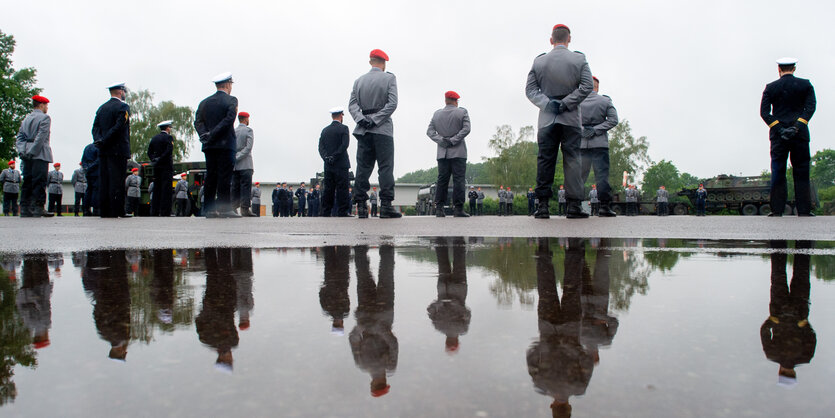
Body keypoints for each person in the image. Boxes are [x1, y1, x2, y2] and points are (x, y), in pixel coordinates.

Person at [527, 24, 593, 219]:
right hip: (571, 117)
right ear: (569, 39)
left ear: (551, 40)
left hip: (547, 119)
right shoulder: (579, 59)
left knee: (545, 160)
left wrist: (549, 105)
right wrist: (566, 104)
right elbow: (587, 86)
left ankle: (543, 206)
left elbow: (530, 90)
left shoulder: (539, 62)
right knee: (573, 159)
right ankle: (573, 206)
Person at [760, 57, 816, 217]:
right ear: (794, 69)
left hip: (778, 137)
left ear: (779, 69)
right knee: (801, 171)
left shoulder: (770, 88)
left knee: (778, 171)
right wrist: (797, 126)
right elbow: (810, 108)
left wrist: (780, 129)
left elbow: (764, 113)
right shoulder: (806, 85)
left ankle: (777, 209)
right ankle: (804, 210)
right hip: (800, 135)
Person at [349, 49, 400, 219]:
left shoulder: (359, 81)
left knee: (362, 167)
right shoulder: (389, 78)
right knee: (385, 167)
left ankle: (361, 206)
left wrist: (362, 119)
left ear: (370, 62)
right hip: (383, 129)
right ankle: (386, 206)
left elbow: (352, 105)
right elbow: (392, 104)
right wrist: (376, 119)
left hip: (364, 129)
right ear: (384, 63)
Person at [761, 240, 816, 388]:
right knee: (778, 274)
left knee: (801, 274)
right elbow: (764, 332)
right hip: (782, 312)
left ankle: (803, 242)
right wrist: (772, 320)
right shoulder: (772, 355)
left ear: (793, 374)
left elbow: (812, 337)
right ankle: (778, 242)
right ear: (780, 372)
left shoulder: (805, 358)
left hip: (797, 313)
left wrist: (804, 324)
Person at [349, 245, 398, 397]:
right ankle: (360, 249)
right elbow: (353, 339)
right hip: (368, 317)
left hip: (383, 316)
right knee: (363, 275)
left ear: (383, 382)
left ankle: (386, 247)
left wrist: (377, 328)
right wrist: (362, 326)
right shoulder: (361, 364)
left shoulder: (390, 366)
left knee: (386, 275)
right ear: (371, 384)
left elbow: (393, 343)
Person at [194, 72, 240, 218]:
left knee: (211, 176)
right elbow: (229, 120)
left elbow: (197, 122)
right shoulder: (231, 100)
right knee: (225, 177)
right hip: (225, 144)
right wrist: (213, 133)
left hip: (210, 145)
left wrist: (204, 135)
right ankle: (224, 208)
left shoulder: (204, 102)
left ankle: (208, 208)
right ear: (227, 85)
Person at [426, 90, 471, 218]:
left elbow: (430, 132)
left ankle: (439, 208)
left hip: (442, 153)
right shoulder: (462, 112)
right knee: (459, 180)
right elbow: (466, 129)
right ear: (456, 101)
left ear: (445, 100)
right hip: (458, 152)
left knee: (442, 180)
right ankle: (458, 209)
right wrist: (453, 140)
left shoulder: (437, 114)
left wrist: (442, 141)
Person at [579, 76, 619, 217]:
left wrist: (583, 130)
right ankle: (604, 207)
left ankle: (575, 206)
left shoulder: (577, 102)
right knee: (602, 176)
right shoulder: (605, 101)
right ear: (597, 87)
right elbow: (614, 120)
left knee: (579, 177)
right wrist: (596, 130)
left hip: (581, 144)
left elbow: (569, 120)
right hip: (599, 143)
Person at [92, 83, 131, 218]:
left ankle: (105, 210)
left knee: (105, 180)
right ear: (120, 92)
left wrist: (99, 140)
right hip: (118, 149)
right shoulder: (123, 107)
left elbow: (95, 128)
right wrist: (106, 139)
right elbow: (119, 126)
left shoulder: (102, 108)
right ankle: (117, 210)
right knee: (117, 181)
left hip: (103, 150)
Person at [428, 237, 471, 353]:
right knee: (442, 263)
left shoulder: (463, 328)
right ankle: (440, 241)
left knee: (459, 262)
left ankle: (459, 241)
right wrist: (440, 303)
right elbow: (429, 309)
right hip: (443, 289)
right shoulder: (438, 326)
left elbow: (467, 313)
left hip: (459, 290)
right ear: (446, 340)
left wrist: (455, 304)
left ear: (456, 340)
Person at [15, 95, 54, 217]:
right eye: (46, 105)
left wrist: (22, 151)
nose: (47, 108)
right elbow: (41, 138)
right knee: (39, 180)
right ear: (41, 105)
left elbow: (20, 137)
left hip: (26, 153)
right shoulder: (45, 118)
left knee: (27, 180)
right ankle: (38, 207)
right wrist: (33, 151)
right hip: (39, 153)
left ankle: (25, 208)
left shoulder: (26, 119)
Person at [319, 108, 352, 217]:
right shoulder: (344, 128)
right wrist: (335, 156)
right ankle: (342, 211)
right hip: (341, 164)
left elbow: (321, 147)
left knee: (328, 188)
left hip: (328, 165)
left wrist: (326, 158)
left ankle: (326, 211)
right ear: (341, 116)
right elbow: (344, 145)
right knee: (342, 188)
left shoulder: (325, 130)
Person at [147, 120, 175, 216]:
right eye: (170, 127)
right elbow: (169, 151)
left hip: (157, 167)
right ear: (167, 128)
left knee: (157, 189)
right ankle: (165, 211)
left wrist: (154, 160)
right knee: (166, 189)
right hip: (166, 166)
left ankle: (154, 211)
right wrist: (161, 159)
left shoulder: (154, 138)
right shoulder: (168, 137)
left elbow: (149, 152)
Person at [232, 111, 256, 217]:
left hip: (235, 164)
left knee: (235, 187)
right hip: (246, 163)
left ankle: (233, 208)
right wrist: (240, 156)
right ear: (246, 119)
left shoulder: (233, 131)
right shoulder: (249, 130)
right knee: (246, 187)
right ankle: (245, 209)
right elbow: (248, 147)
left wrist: (235, 157)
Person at [81, 141, 100, 216]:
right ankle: (96, 209)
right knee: (96, 190)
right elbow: (98, 160)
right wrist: (91, 167)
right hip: (96, 171)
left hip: (88, 171)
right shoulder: (98, 148)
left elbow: (83, 160)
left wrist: (86, 168)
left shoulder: (87, 147)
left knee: (89, 190)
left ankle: (86, 209)